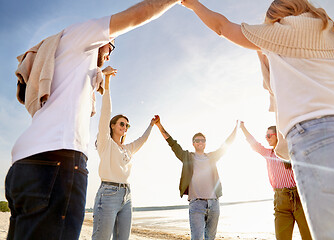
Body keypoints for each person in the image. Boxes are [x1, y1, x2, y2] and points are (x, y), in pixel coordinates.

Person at [5, 1, 179, 239]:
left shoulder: (69, 63)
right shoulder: (82, 36)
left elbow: (91, 80)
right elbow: (142, 12)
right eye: (111, 47)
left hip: (23, 165)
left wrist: (101, 77)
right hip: (57, 162)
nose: (108, 56)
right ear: (103, 40)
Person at [180, 0, 334, 239]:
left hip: (313, 137)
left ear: (276, 16)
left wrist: (192, 4)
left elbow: (221, 26)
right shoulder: (333, 34)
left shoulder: (278, 34)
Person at [91, 66, 156, 240]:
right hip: (108, 194)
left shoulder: (127, 149)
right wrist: (107, 81)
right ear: (112, 125)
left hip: (127, 196)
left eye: (127, 125)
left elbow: (142, 140)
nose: (124, 127)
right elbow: (106, 111)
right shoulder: (105, 144)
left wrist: (151, 125)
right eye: (121, 124)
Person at [154, 116, 238, 240]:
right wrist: (159, 125)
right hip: (196, 204)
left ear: (205, 143)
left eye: (203, 140)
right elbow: (172, 143)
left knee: (210, 238)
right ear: (193, 143)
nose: (200, 142)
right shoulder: (187, 157)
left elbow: (226, 145)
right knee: (197, 238)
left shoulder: (211, 157)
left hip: (214, 203)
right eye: (197, 140)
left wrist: (236, 129)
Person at [240, 122, 312, 240]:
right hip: (281, 200)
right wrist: (243, 128)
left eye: (269, 135)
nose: (267, 138)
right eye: (266, 136)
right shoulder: (268, 153)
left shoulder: (292, 152)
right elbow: (253, 143)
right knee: (282, 237)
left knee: (308, 236)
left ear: (277, 136)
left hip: (299, 198)